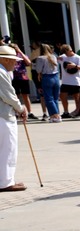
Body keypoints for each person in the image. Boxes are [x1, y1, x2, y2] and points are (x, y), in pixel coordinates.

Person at [0, 44, 28, 192]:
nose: (15, 63)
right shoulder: (0, 72)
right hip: (3, 115)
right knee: (8, 148)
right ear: (4, 59)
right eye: (13, 60)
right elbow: (8, 95)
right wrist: (21, 108)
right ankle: (6, 182)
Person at [33, 44, 63, 123]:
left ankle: (55, 115)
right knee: (55, 98)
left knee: (48, 98)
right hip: (56, 77)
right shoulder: (53, 56)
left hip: (47, 77)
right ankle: (56, 115)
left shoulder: (40, 58)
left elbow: (38, 70)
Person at [57, 44, 80, 121]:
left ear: (70, 50)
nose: (65, 54)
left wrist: (75, 66)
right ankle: (66, 112)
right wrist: (57, 58)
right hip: (65, 81)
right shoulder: (63, 57)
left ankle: (78, 111)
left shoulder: (78, 58)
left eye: (66, 52)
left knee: (76, 97)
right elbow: (56, 60)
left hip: (75, 81)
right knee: (63, 96)